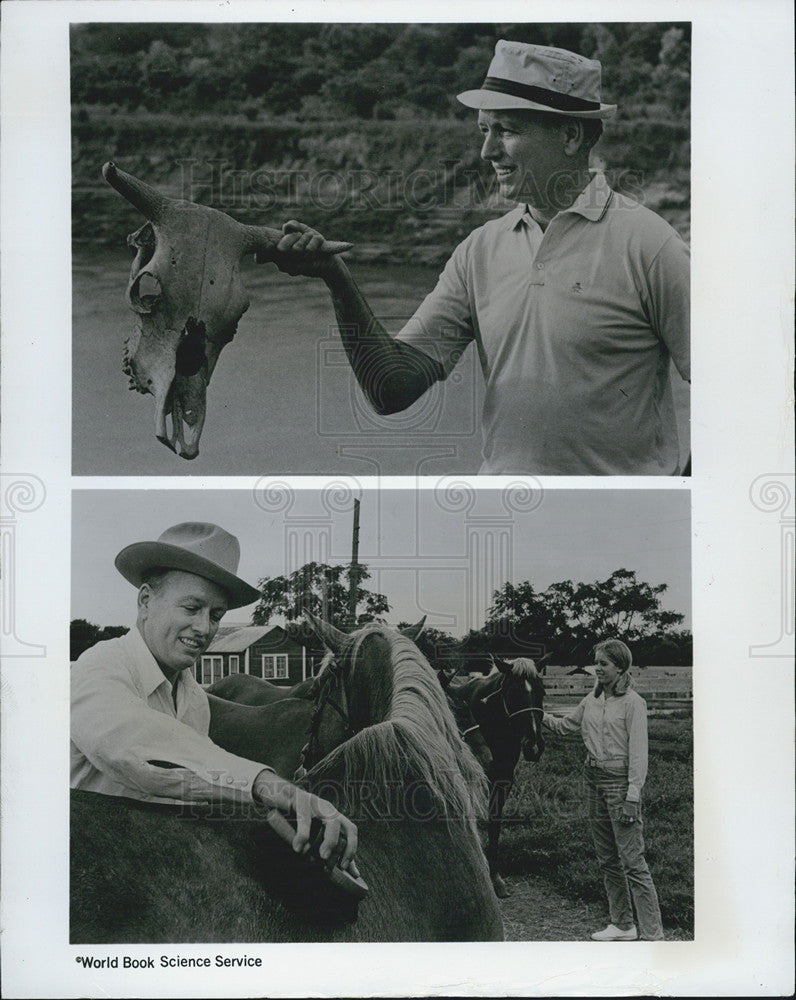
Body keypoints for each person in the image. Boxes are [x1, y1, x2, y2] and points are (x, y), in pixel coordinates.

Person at [265, 39, 690, 476]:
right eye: (484, 131)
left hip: (620, 531)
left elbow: (733, 394)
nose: (487, 152)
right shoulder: (478, 251)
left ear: (570, 135)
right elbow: (390, 389)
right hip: (507, 520)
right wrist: (337, 279)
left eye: (506, 130)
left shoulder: (650, 245)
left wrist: (681, 499)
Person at [71, 521, 358, 874]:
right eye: (192, 608)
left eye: (216, 615)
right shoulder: (99, 667)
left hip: (148, 873)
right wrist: (275, 790)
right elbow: (140, 750)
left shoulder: (193, 698)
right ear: (146, 600)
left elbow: (191, 789)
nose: (205, 628)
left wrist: (287, 821)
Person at [542, 639, 664, 941]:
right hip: (593, 780)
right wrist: (534, 713)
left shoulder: (634, 703)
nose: (597, 667)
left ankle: (653, 936)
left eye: (604, 663)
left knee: (633, 862)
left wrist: (632, 797)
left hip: (621, 785)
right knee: (608, 859)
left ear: (621, 667)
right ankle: (623, 925)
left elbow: (639, 754)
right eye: (596, 662)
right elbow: (566, 726)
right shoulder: (591, 699)